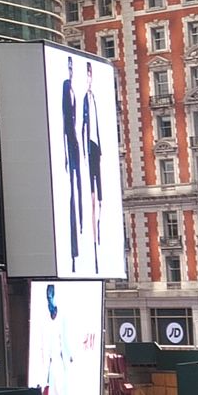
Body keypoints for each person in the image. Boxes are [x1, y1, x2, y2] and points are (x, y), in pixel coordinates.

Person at [81, 61, 104, 272]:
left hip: (97, 151)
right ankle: (93, 241)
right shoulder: (84, 100)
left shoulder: (94, 98)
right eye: (88, 74)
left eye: (91, 74)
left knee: (100, 198)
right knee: (91, 197)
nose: (89, 78)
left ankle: (99, 236)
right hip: (88, 151)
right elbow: (82, 128)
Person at [60, 56, 83, 269]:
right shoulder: (65, 87)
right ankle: (73, 251)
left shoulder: (76, 90)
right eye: (68, 66)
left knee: (79, 193)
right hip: (69, 144)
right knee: (71, 196)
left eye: (71, 67)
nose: (70, 70)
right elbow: (64, 122)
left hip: (76, 144)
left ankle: (79, 246)